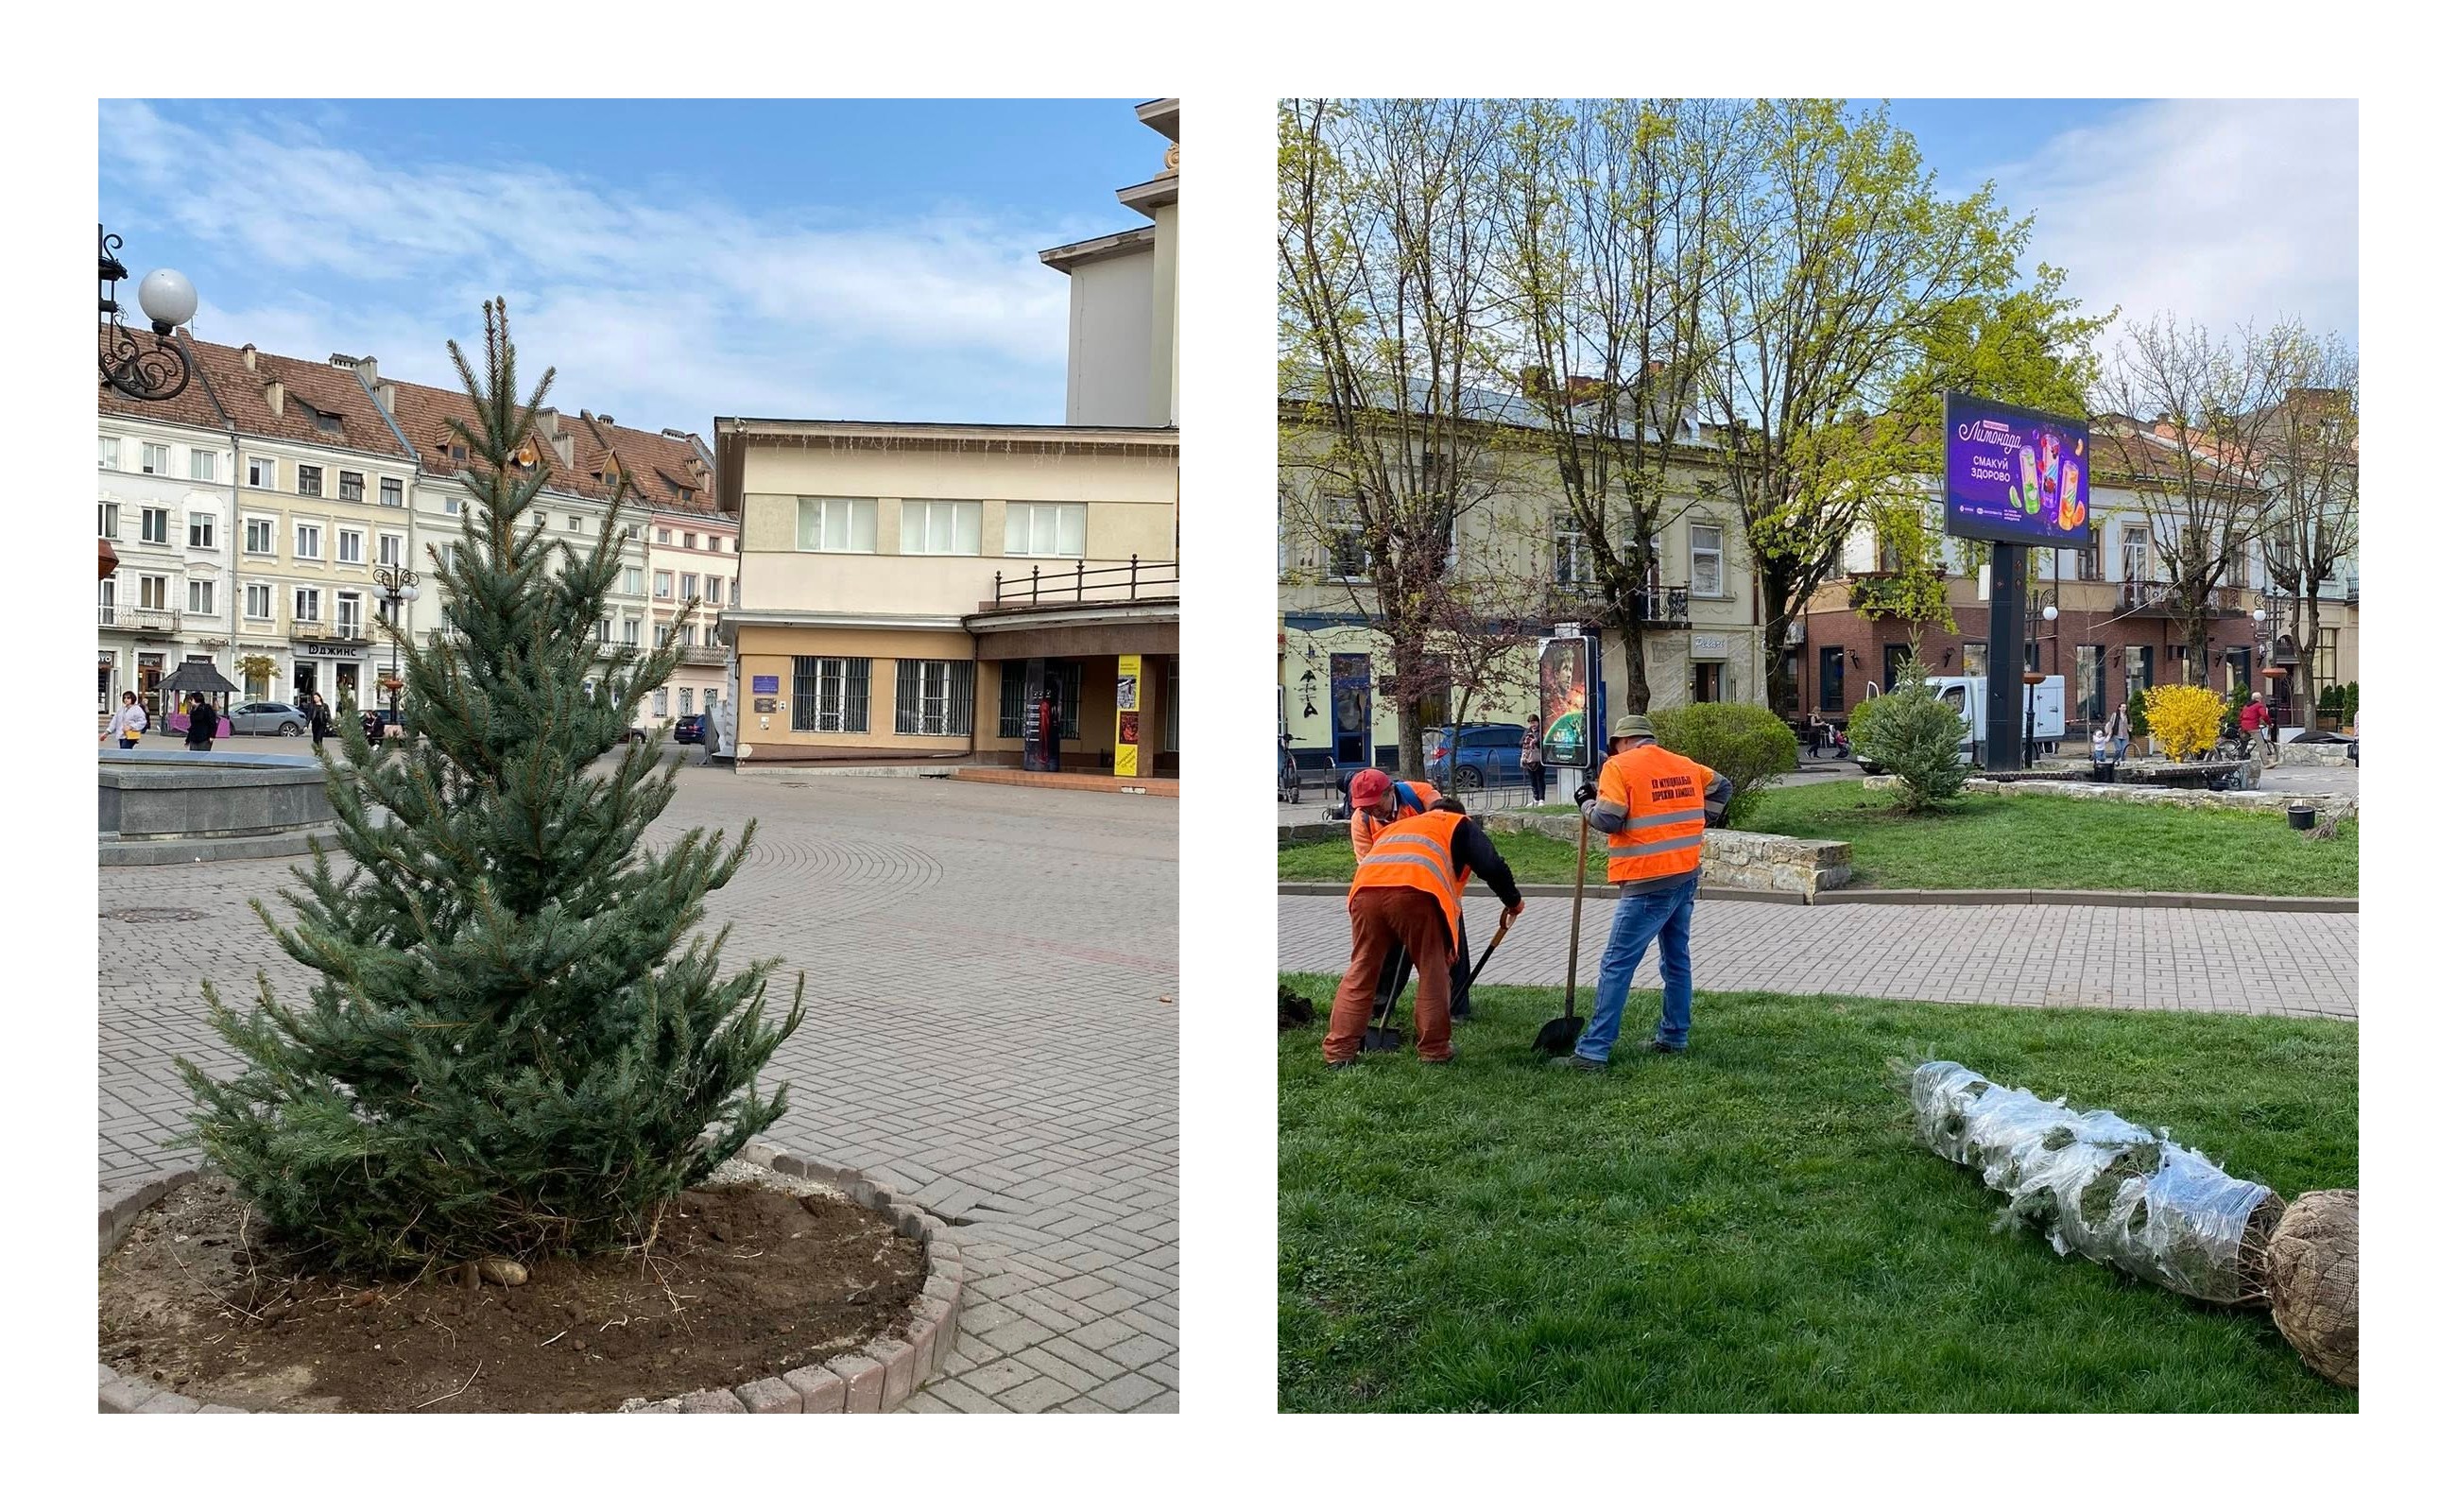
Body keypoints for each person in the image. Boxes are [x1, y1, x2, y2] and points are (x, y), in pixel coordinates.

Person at [1555, 713, 1732, 1069]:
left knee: (1616, 965)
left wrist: (1585, 802)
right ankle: (1674, 1036)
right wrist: (1703, 817)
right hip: (1684, 875)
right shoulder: (1683, 764)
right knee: (1677, 960)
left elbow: (1608, 820)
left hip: (1646, 883)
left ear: (1622, 742)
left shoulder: (1619, 767)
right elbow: (1723, 786)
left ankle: (1593, 1051)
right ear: (1649, 738)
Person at [1324, 800, 1524, 1067]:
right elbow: (1491, 865)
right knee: (1432, 971)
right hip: (1415, 893)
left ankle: (1339, 1051)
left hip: (1364, 892)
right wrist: (1513, 901)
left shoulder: (1403, 825)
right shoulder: (1457, 823)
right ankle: (1434, 1050)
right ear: (1457, 813)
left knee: (1362, 970)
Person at [1521, 714, 1548, 802]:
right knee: (1532, 779)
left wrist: (1536, 742)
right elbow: (1520, 742)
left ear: (1538, 722)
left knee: (1540, 778)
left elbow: (1545, 743)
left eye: (1534, 722)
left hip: (1539, 758)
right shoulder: (1527, 731)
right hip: (1529, 758)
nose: (1533, 725)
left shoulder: (1542, 731)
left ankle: (1541, 799)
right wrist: (1526, 741)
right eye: (1531, 723)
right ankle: (1535, 798)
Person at [2241, 695, 2267, 762]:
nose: (2261, 699)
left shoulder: (2246, 706)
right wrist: (2269, 723)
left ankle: (2241, 755)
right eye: (2261, 697)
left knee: (2244, 742)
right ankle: (2266, 762)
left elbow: (2241, 716)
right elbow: (2264, 715)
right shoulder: (2259, 705)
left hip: (2244, 727)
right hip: (2253, 727)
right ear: (2258, 699)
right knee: (2261, 745)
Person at [307, 692, 335, 756]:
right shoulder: (312, 706)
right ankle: (316, 751)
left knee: (319, 738)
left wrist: (330, 723)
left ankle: (320, 751)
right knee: (315, 738)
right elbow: (309, 716)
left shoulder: (325, 706)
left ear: (320, 697)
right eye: (314, 698)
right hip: (315, 724)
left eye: (316, 697)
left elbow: (328, 715)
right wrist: (306, 725)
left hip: (322, 724)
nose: (315, 699)